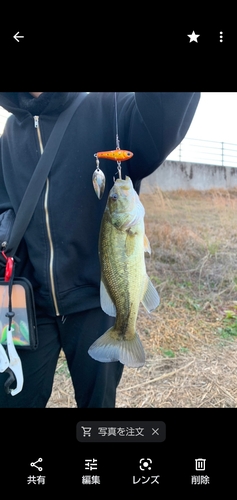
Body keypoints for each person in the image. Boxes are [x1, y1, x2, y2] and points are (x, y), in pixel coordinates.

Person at [0, 92, 200, 408]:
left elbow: (162, 119)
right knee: (13, 399)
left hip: (97, 298)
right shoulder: (9, 133)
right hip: (25, 300)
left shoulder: (109, 107)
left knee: (98, 405)